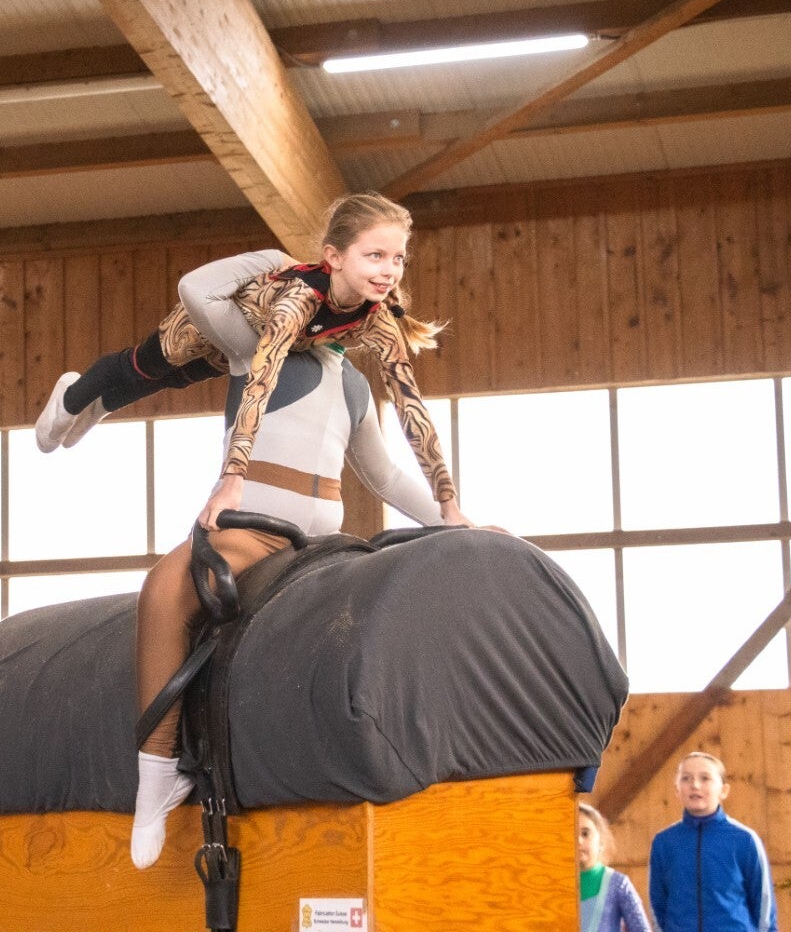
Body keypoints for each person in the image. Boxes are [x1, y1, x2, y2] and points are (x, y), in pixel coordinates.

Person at [130, 337, 458, 868]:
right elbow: (200, 298)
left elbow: (386, 476)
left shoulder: (354, 385)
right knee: (167, 587)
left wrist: (454, 521)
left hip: (322, 543)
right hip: (255, 534)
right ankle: (156, 770)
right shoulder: (256, 347)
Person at [35, 192, 473, 531]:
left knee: (176, 381)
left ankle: (102, 405)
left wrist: (449, 508)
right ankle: (72, 396)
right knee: (146, 368)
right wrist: (233, 480)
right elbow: (259, 382)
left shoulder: (380, 319)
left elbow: (413, 411)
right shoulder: (299, 299)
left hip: (254, 345)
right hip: (218, 321)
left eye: (398, 258)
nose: (389, 270)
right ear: (334, 257)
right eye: (375, 255)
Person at [648, 752, 778, 932]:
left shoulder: (745, 840)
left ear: (723, 790)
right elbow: (657, 902)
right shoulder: (664, 842)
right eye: (686, 778)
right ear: (677, 790)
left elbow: (763, 905)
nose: (695, 785)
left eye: (705, 778)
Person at [577, 803, 650, 932]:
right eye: (570, 833)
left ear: (601, 841)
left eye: (585, 833)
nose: (578, 841)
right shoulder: (551, 885)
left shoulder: (618, 884)